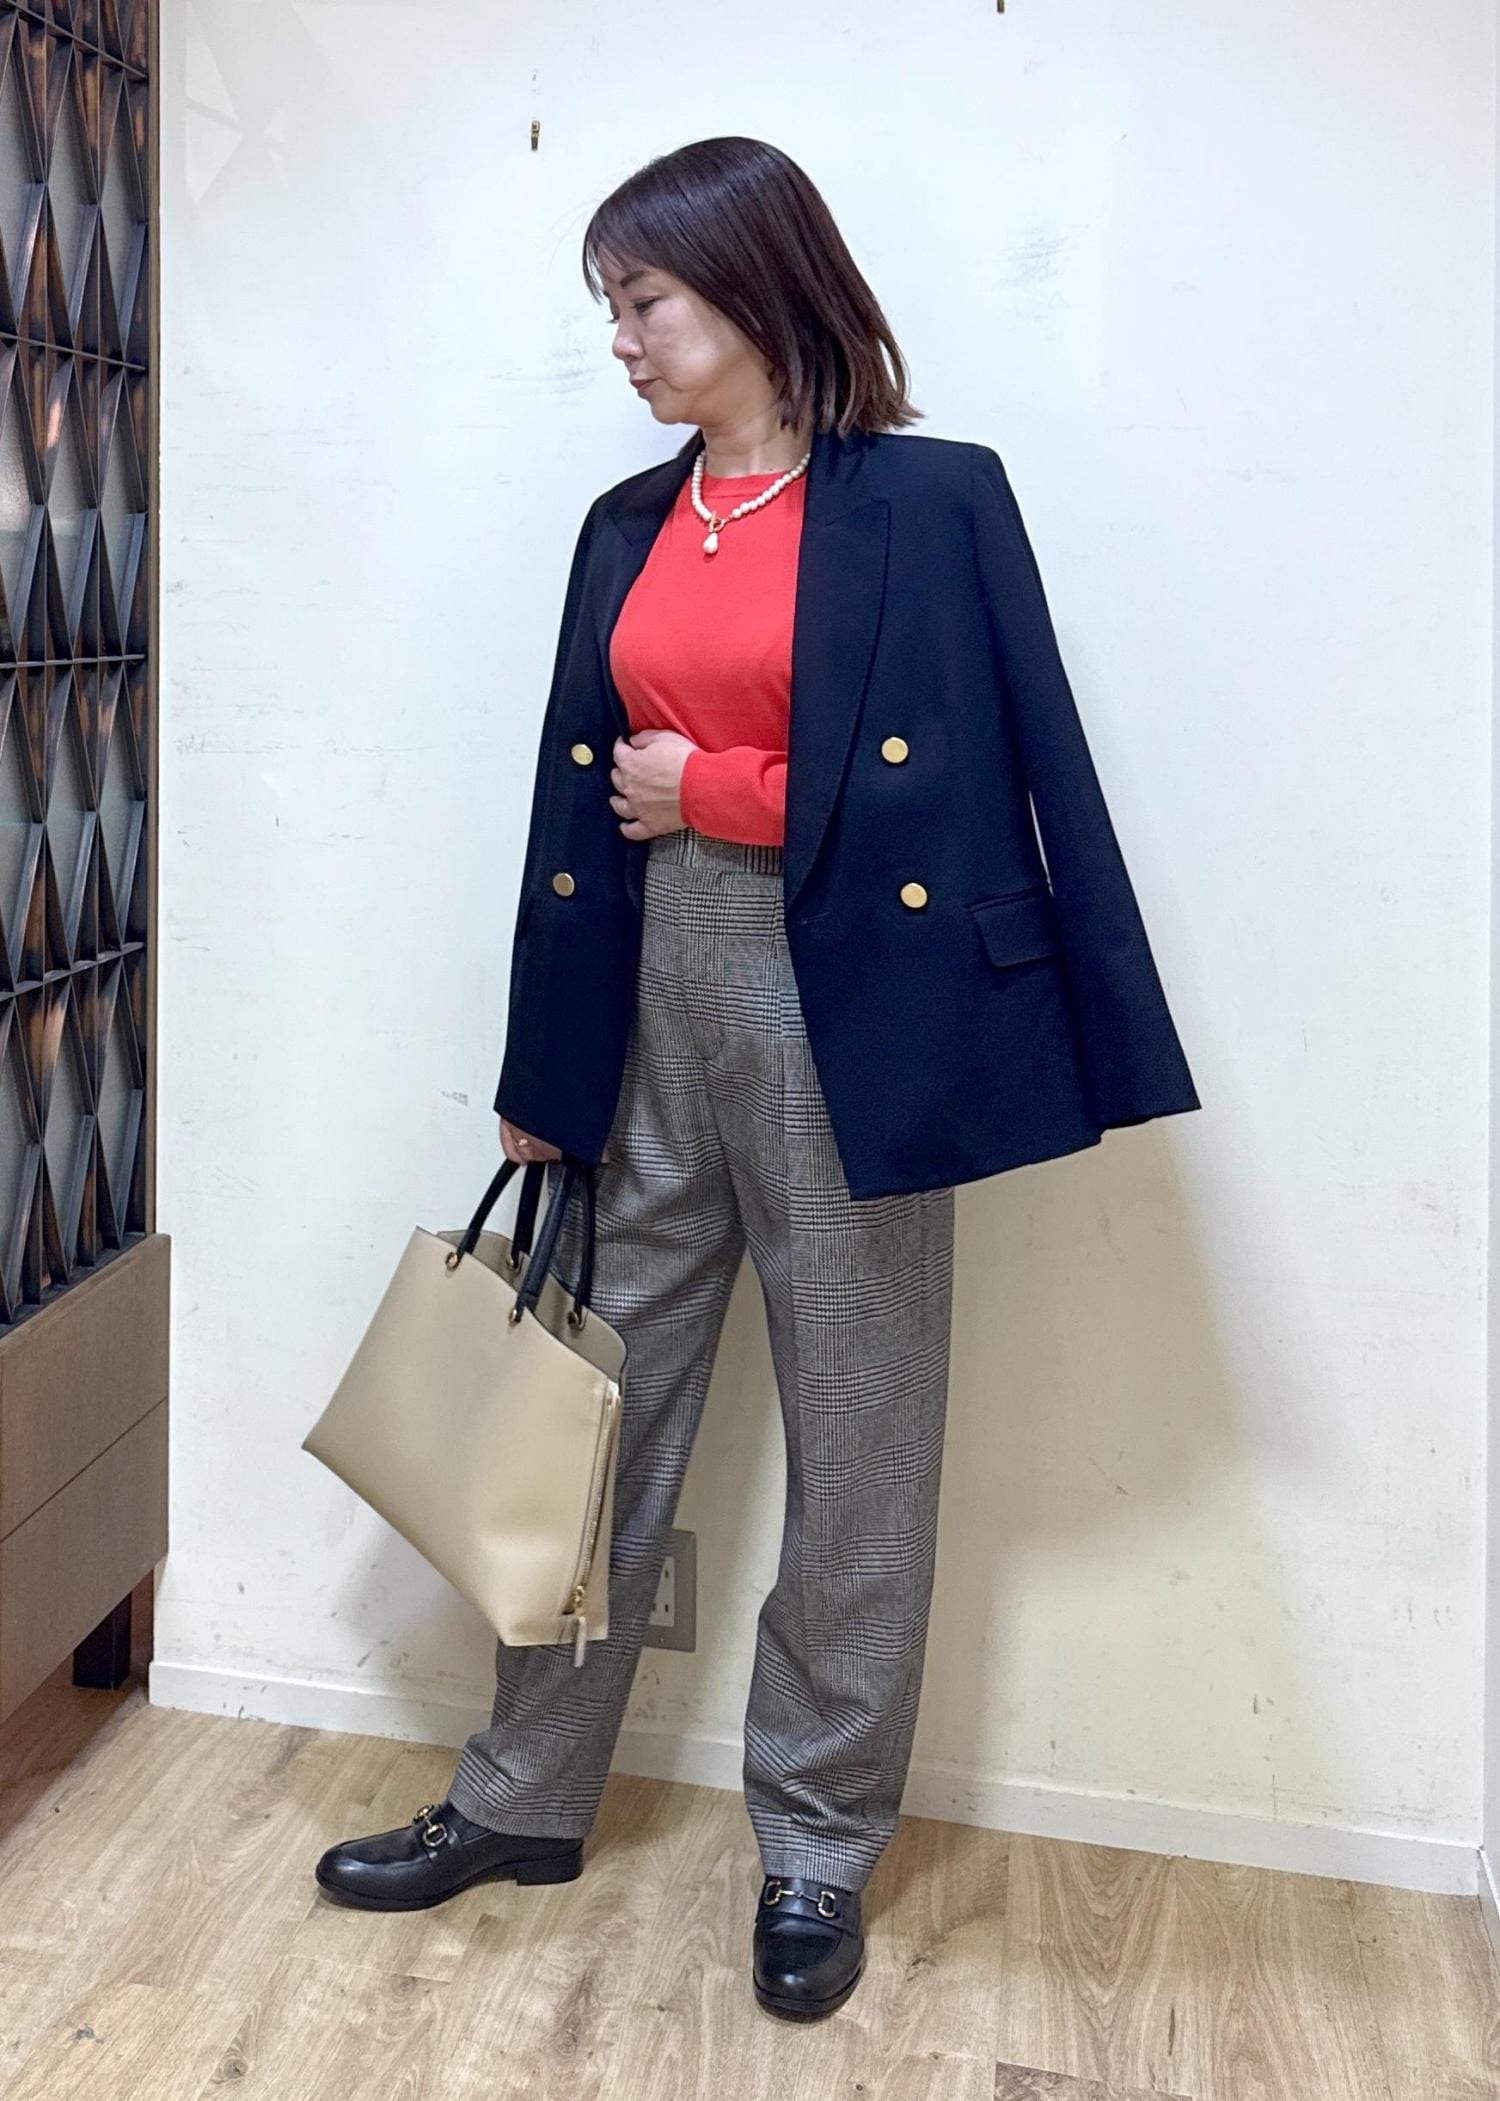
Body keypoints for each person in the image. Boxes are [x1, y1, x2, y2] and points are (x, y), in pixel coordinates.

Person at [314, 135, 1200, 2024]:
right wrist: (548, 1063)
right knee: (593, 1409)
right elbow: (572, 810)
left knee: (860, 1429)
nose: (622, 341)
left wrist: (713, 787)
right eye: (611, 309)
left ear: (755, 283)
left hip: (854, 1003)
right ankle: (523, 1792)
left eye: (645, 300)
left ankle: (816, 1840)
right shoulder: (625, 521)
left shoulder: (932, 503)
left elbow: (973, 793)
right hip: (651, 991)